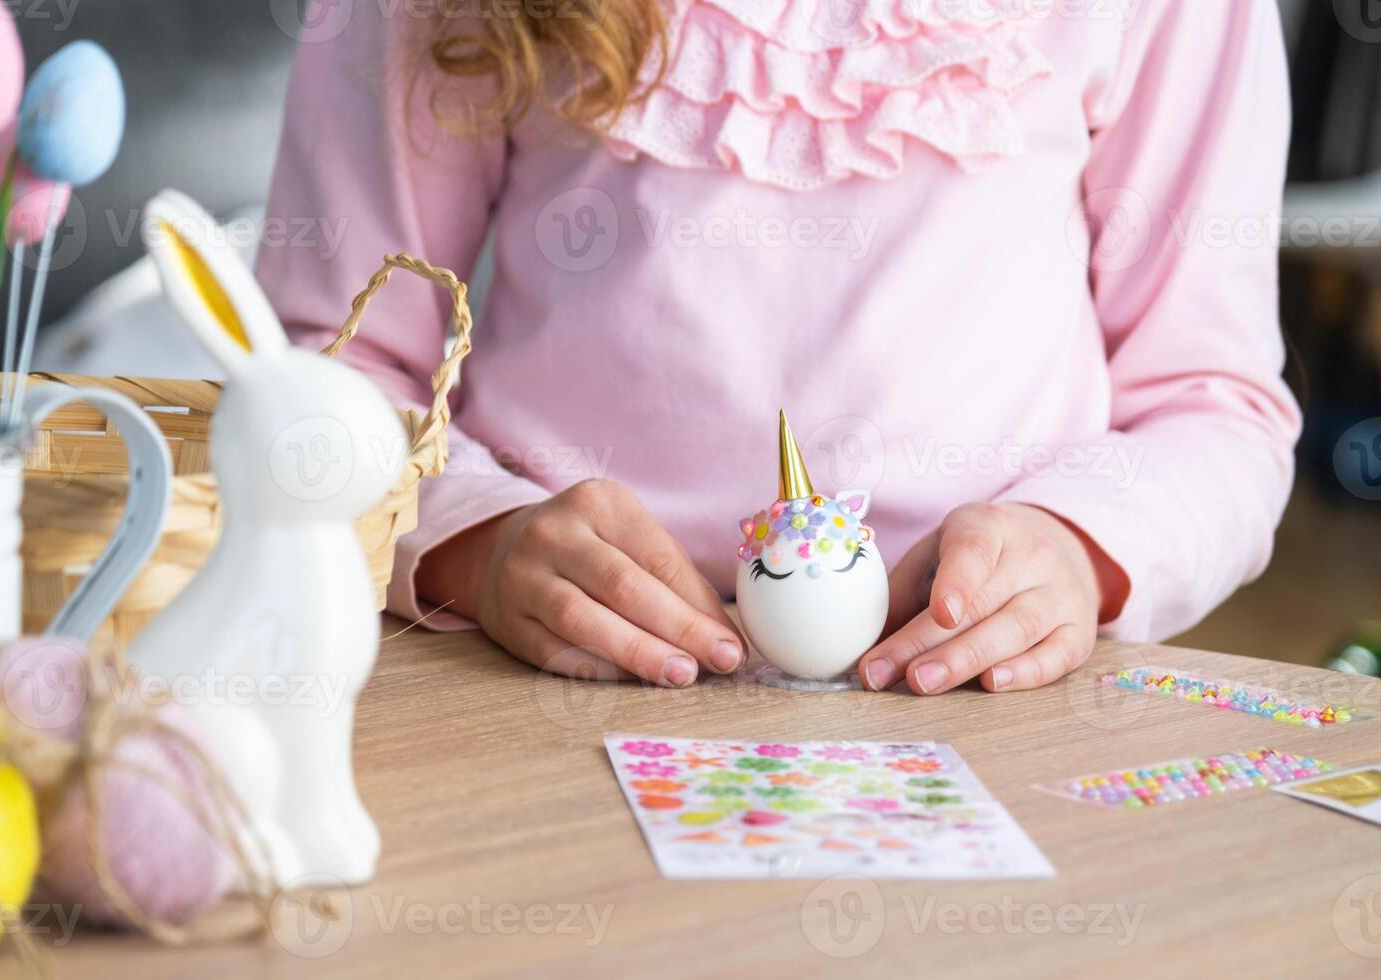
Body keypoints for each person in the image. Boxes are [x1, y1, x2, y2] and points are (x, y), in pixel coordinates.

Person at [256, 0, 1300, 695]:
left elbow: (1214, 405)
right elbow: (321, 372)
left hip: (999, 704)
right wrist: (478, 541)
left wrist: (1079, 546)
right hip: (546, 679)